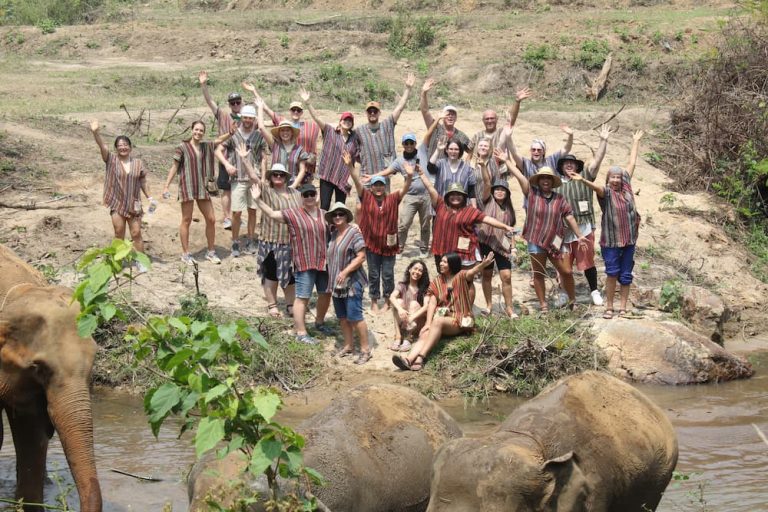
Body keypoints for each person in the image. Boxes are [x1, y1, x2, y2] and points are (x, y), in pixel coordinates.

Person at [569, 130, 645, 319]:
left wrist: (635, 141)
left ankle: (623, 307)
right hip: (610, 241)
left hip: (629, 240)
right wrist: (583, 180)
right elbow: (596, 187)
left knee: (626, 274)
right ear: (608, 179)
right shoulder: (606, 192)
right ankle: (609, 306)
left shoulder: (626, 187)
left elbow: (632, 164)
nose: (616, 180)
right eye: (613, 177)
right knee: (612, 273)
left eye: (618, 177)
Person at [251, 181, 332, 344]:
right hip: (304, 261)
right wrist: (258, 200)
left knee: (325, 293)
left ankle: (320, 322)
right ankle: (301, 332)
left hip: (324, 262)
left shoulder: (324, 214)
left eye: (312, 194)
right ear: (301, 198)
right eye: (306, 195)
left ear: (316, 196)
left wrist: (355, 228)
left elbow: (339, 225)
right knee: (302, 297)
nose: (309, 197)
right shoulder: (293, 214)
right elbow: (273, 214)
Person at [504, 162, 589, 313]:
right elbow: (520, 177)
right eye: (542, 178)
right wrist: (507, 161)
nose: (545, 180)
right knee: (538, 273)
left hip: (555, 240)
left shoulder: (559, 199)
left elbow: (569, 216)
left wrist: (580, 235)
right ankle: (543, 305)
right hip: (536, 239)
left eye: (548, 178)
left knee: (567, 271)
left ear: (552, 181)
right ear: (538, 180)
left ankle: (572, 300)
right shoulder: (531, 193)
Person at [392, 252, 496, 372]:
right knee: (426, 332)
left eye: (444, 262)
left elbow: (471, 272)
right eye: (441, 261)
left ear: (452, 264)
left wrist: (482, 265)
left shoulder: (461, 276)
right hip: (442, 319)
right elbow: (432, 303)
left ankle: (421, 358)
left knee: (438, 321)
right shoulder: (438, 281)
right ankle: (408, 360)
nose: (441, 263)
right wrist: (427, 324)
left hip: (461, 319)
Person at [345, 150, 413, 314]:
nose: (378, 188)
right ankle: (374, 299)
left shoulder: (393, 198)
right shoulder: (366, 197)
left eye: (381, 185)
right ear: (372, 186)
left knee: (388, 274)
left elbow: (405, 188)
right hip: (371, 243)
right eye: (375, 185)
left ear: (385, 186)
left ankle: (388, 299)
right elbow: (357, 182)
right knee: (374, 273)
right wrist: (349, 166)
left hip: (389, 244)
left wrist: (409, 176)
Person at [414, 162, 515, 269]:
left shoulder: (470, 211)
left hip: (461, 252)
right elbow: (430, 188)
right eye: (452, 194)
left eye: (459, 194)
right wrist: (421, 174)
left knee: (463, 280)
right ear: (447, 196)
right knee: (444, 278)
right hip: (441, 248)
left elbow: (488, 219)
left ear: (463, 196)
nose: (455, 197)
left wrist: (505, 226)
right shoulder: (440, 205)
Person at [555, 124, 611, 307]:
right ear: (562, 167)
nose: (569, 165)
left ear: (576, 166)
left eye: (572, 163)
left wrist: (603, 140)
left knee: (587, 262)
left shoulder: (585, 176)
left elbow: (597, 161)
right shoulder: (555, 183)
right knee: (563, 265)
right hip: (562, 231)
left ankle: (594, 291)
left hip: (584, 227)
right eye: (566, 163)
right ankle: (563, 293)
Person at [240, 151, 301, 318]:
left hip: (290, 241)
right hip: (271, 240)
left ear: (286, 176)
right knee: (271, 274)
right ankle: (272, 304)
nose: (278, 177)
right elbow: (253, 177)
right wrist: (245, 159)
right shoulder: (266, 191)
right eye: (275, 174)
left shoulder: (295, 193)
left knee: (290, 276)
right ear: (271, 176)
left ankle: (290, 304)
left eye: (281, 174)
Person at [162, 120, 232, 265]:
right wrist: (166, 186)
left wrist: (231, 132)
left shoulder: (206, 147)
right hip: (187, 186)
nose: (198, 132)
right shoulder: (182, 147)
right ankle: (186, 254)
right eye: (196, 129)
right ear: (191, 130)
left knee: (211, 219)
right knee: (186, 220)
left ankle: (211, 251)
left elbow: (218, 140)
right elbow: (174, 167)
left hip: (203, 187)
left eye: (201, 130)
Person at [89, 120, 151, 271]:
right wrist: (96, 132)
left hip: (134, 203)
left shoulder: (138, 163)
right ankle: (117, 261)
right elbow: (102, 146)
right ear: (116, 148)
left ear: (130, 147)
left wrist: (149, 197)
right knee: (119, 233)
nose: (123, 147)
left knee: (136, 233)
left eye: (125, 145)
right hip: (117, 202)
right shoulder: (111, 160)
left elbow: (143, 181)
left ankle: (140, 261)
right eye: (120, 145)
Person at [215, 104, 267, 258]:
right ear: (241, 118)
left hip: (254, 179)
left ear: (254, 119)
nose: (248, 120)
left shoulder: (258, 136)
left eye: (250, 118)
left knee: (252, 211)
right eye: (245, 117)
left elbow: (264, 158)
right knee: (236, 212)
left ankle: (251, 240)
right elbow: (218, 150)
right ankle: (235, 241)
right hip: (237, 178)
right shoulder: (234, 135)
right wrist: (227, 164)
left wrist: (263, 178)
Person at [299, 87, 361, 210]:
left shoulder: (354, 140)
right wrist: (308, 102)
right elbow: (317, 118)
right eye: (345, 119)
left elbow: (356, 161)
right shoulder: (330, 131)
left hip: (343, 179)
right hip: (327, 175)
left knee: (340, 208)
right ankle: (324, 229)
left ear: (352, 124)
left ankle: (337, 229)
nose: (347, 122)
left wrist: (351, 179)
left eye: (350, 121)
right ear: (340, 121)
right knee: (325, 206)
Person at [325, 202, 371, 364]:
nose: (338, 217)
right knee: (343, 317)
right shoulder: (332, 234)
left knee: (355, 316)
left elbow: (361, 256)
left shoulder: (354, 233)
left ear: (346, 216)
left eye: (341, 214)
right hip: (336, 283)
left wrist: (345, 271)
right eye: (335, 215)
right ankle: (348, 345)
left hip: (352, 281)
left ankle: (365, 350)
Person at [242, 82, 320, 178]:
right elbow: (265, 108)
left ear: (302, 112)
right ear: (289, 111)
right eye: (293, 109)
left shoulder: (309, 126)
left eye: (298, 110)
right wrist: (254, 91)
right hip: (283, 167)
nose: (295, 112)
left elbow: (318, 119)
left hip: (304, 168)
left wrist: (308, 102)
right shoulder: (282, 122)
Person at [199, 70, 241, 230]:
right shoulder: (223, 115)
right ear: (229, 104)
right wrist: (203, 85)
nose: (236, 104)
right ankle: (226, 217)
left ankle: (237, 217)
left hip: (241, 158)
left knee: (240, 188)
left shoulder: (247, 117)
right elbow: (210, 101)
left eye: (238, 102)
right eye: (233, 102)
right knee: (227, 189)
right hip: (225, 156)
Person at [356, 72, 415, 186]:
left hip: (383, 177)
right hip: (365, 176)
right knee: (362, 204)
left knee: (385, 204)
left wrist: (407, 89)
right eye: (370, 111)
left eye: (375, 111)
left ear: (379, 113)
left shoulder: (387, 125)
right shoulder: (359, 131)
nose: (372, 113)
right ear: (366, 113)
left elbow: (400, 108)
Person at [478, 153, 517, 318]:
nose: (500, 192)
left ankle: (509, 308)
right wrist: (483, 166)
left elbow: (510, 231)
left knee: (506, 276)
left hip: (502, 246)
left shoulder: (509, 210)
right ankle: (488, 305)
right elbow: (487, 182)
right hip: (485, 242)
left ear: (507, 193)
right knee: (487, 274)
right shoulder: (487, 200)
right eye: (498, 189)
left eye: (503, 190)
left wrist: (513, 248)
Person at [380, 133, 431, 256]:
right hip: (409, 196)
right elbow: (387, 171)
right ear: (403, 144)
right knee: (403, 224)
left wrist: (438, 118)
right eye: (406, 143)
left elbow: (428, 134)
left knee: (425, 225)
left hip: (426, 195)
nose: (409, 146)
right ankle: (400, 248)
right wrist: (371, 176)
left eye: (411, 143)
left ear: (415, 144)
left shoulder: (422, 153)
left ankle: (423, 248)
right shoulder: (399, 161)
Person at [254, 98, 311, 187]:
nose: (285, 133)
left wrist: (293, 186)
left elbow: (302, 170)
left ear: (292, 132)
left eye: (288, 130)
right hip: (275, 185)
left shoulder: (299, 149)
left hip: (292, 186)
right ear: (279, 133)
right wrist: (260, 108)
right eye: (282, 131)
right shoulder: (275, 145)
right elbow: (261, 127)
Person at [468, 87, 532, 156]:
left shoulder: (502, 132)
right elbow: (469, 155)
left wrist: (517, 101)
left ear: (497, 119)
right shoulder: (477, 136)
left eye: (492, 118)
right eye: (487, 119)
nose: (489, 121)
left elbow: (511, 120)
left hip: (499, 166)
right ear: (483, 121)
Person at [426, 120, 477, 205]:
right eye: (451, 149)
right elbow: (430, 168)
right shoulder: (441, 164)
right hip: (442, 207)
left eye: (456, 149)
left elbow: (472, 191)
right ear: (447, 150)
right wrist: (438, 150)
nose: (453, 152)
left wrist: (474, 208)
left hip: (461, 209)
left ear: (460, 151)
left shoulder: (467, 168)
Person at [419, 78, 472, 159]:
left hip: (452, 170)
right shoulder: (435, 128)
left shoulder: (461, 136)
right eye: (447, 114)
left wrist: (466, 163)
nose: (450, 116)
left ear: (456, 118)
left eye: (453, 114)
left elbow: (471, 150)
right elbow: (425, 111)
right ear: (442, 117)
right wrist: (424, 93)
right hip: (433, 169)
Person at [389, 260, 430, 352]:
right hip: (404, 321)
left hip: (417, 322)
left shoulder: (425, 288)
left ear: (423, 274)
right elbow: (392, 297)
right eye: (415, 269)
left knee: (414, 304)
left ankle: (408, 338)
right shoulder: (402, 285)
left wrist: (411, 318)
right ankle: (398, 336)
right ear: (409, 269)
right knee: (398, 302)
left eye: (420, 270)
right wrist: (400, 309)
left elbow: (426, 306)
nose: (417, 272)